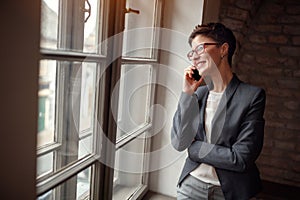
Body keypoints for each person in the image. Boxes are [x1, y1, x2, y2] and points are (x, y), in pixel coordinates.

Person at [171, 22, 266, 200]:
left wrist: (195, 148)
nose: (194, 57)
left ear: (223, 49)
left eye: (200, 49)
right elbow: (178, 143)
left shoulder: (252, 96)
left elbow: (241, 159)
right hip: (191, 185)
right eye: (192, 52)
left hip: (231, 191)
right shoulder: (197, 94)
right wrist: (187, 94)